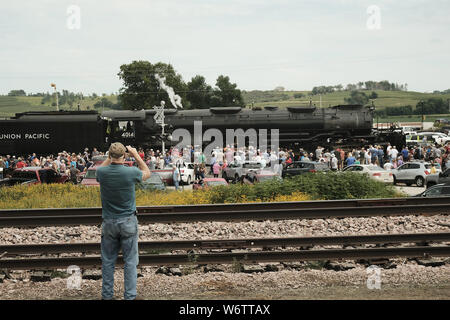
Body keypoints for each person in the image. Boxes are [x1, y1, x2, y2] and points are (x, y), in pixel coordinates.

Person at [96, 143, 150, 300]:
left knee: (107, 261)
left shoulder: (102, 172)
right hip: (128, 221)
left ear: (109, 155)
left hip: (108, 222)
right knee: (130, 262)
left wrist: (109, 158)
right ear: (124, 156)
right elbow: (147, 172)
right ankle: (130, 296)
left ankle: (107, 296)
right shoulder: (131, 172)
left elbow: (103, 168)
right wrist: (135, 154)